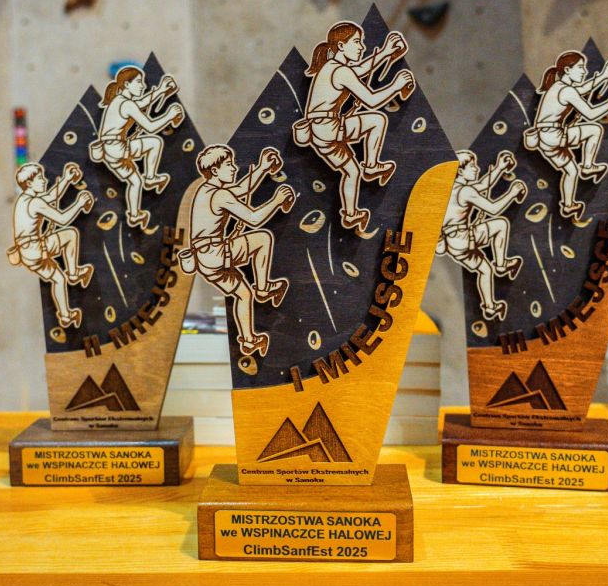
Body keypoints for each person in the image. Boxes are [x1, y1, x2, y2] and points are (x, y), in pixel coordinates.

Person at [293, 21, 414, 232]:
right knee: (377, 120)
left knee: (352, 171)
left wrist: (385, 52)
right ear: (341, 45)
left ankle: (350, 215)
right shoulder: (340, 72)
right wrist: (396, 85)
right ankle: (372, 165)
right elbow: (372, 101)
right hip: (330, 128)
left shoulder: (333, 67)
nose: (362, 47)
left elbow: (359, 69)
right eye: (357, 42)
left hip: (320, 134)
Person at [184, 144, 294, 357]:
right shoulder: (219, 195)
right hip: (216, 253)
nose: (234, 168)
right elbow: (254, 219)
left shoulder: (207, 190)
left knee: (244, 294)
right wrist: (277, 201)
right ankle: (263, 288)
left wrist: (262, 168)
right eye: (229, 165)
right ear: (215, 170)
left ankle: (249, 341)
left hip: (205, 262)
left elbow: (243, 189)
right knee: (262, 238)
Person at [525, 51, 608, 220]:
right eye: (580, 67)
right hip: (555, 135)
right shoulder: (566, 91)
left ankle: (568, 206)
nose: (584, 71)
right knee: (594, 130)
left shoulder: (559, 87)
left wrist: (603, 76)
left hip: (545, 139)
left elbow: (582, 89)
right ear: (567, 70)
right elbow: (591, 114)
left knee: (571, 171)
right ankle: (587, 166)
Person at [439, 150, 527, 320]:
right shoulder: (465, 191)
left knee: (485, 269)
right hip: (464, 238)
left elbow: (482, 185)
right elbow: (493, 209)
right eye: (472, 166)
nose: (477, 168)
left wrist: (499, 168)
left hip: (453, 244)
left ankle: (490, 307)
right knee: (500, 224)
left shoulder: (452, 188)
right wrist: (512, 193)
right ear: (460, 171)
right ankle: (501, 265)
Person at [93, 67, 184, 229]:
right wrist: (169, 116)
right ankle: (150, 177)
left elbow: (141, 103)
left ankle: (134, 215)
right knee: (154, 143)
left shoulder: (120, 101)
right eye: (139, 82)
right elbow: (150, 127)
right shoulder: (126, 104)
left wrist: (161, 90)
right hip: (118, 148)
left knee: (135, 181)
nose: (143, 85)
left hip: (110, 152)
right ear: (127, 84)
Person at [8, 162, 94, 329]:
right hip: (36, 249)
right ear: (29, 183)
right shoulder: (34, 203)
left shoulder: (24, 200)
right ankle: (74, 273)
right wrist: (79, 203)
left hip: (27, 255)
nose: (45, 180)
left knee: (59, 279)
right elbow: (62, 219)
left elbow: (51, 197)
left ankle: (66, 316)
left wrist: (66, 179)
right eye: (40, 178)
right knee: (70, 234)